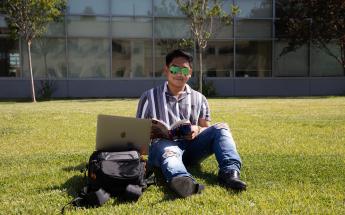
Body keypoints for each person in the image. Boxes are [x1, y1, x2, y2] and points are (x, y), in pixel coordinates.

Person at [136, 49, 246, 198]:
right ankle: (182, 180)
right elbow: (138, 134)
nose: (179, 74)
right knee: (166, 146)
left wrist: (197, 129)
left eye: (184, 70)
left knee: (221, 127)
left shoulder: (200, 98)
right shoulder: (148, 97)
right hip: (163, 149)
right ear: (166, 70)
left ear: (190, 73)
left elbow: (207, 129)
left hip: (191, 150)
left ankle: (229, 173)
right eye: (174, 69)